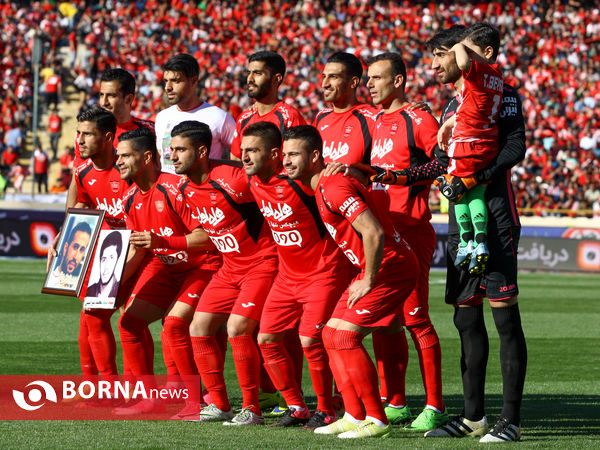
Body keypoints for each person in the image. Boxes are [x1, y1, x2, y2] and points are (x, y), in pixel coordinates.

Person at [368, 24, 527, 443]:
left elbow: (515, 149)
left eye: (445, 54)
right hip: (460, 223)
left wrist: (475, 178)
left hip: (494, 219)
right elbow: (440, 164)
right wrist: (392, 175)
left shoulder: (504, 94)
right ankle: (473, 415)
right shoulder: (450, 105)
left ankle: (509, 419)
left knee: (505, 320)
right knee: (464, 317)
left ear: (481, 54)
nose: (439, 63)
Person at [281, 124, 417, 439]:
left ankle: (376, 419)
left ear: (315, 156)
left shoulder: (332, 187)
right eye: (284, 155)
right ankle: (354, 415)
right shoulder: (324, 184)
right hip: (377, 269)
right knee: (329, 335)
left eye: (293, 154)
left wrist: (368, 278)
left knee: (344, 338)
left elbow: (373, 231)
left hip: (390, 269)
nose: (286, 161)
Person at [243, 121, 354, 428]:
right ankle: (296, 406)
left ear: (274, 154)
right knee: (266, 339)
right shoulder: (251, 182)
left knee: (310, 339)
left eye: (252, 150)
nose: (245, 157)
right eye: (242, 151)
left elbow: (336, 188)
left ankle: (326, 409)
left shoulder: (299, 181)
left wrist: (345, 169)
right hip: (287, 277)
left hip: (323, 272)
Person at [170, 120, 278, 424]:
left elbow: (276, 193)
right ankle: (219, 404)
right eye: (172, 149)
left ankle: (252, 408)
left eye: (180, 149)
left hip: (261, 263)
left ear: (202, 151)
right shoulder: (185, 187)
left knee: (237, 328)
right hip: (229, 268)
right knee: (198, 327)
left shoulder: (234, 178)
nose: (173, 155)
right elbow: (207, 232)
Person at [364, 52, 447, 431]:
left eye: (377, 78)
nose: (370, 84)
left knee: (416, 320)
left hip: (411, 230)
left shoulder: (419, 118)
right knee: (384, 320)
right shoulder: (373, 120)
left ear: (398, 81)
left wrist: (401, 178)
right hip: (381, 234)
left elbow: (442, 161)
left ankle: (435, 405)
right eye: (367, 78)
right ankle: (394, 401)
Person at [113, 127, 221, 416]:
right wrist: (109, 288)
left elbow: (208, 237)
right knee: (129, 322)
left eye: (125, 156)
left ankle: (194, 402)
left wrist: (162, 241)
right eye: (117, 156)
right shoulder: (130, 198)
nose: (119, 162)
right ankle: (149, 398)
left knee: (173, 325)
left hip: (203, 267)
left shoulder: (176, 189)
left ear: (147, 157)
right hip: (166, 267)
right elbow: (137, 249)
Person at [436, 24, 504, 275]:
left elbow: (463, 63)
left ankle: (466, 242)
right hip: (486, 144)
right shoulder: (496, 75)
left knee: (456, 193)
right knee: (476, 194)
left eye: (470, 49)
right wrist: (447, 124)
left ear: (487, 52)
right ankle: (481, 242)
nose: (466, 54)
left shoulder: (475, 70)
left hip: (467, 144)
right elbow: (471, 106)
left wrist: (457, 46)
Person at [66, 67, 155, 209]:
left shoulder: (150, 131)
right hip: (103, 223)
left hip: (138, 220)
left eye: (111, 96)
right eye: (101, 95)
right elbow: (76, 182)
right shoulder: (87, 133)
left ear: (129, 98)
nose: (104, 102)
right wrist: (67, 225)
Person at [154, 53, 235, 170]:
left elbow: (240, 157)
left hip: (205, 187)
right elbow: (161, 159)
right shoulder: (162, 117)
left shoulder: (219, 117)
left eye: (175, 81)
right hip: (167, 187)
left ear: (193, 81)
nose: (168, 87)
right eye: (166, 81)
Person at [229, 51, 306, 161]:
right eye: (249, 73)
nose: (250, 79)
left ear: (276, 79)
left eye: (257, 73)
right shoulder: (244, 118)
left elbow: (299, 162)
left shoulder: (290, 117)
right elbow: (236, 160)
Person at [313, 52, 377, 165]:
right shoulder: (321, 117)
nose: (324, 84)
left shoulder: (372, 119)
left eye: (333, 77)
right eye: (324, 76)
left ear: (353, 82)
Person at [48, 220, 92, 288]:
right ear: (66, 248)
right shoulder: (51, 281)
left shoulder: (82, 285)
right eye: (75, 247)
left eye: (82, 250)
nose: (76, 256)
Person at [87, 231, 123, 298]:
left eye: (111, 258)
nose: (106, 267)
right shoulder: (90, 291)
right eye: (104, 259)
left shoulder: (120, 291)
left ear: (117, 260)